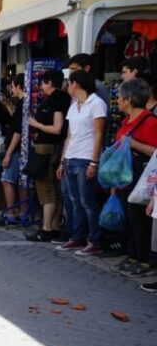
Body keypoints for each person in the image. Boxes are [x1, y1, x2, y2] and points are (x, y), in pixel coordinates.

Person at [106, 79, 157, 277]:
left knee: (140, 220)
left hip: (142, 177)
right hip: (124, 176)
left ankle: (144, 261)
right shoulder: (125, 121)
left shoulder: (150, 122)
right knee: (129, 218)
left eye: (119, 97)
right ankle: (132, 256)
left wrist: (134, 144)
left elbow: (155, 151)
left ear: (129, 99)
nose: (117, 100)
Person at [55, 70, 107, 255]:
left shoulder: (97, 104)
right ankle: (77, 237)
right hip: (71, 157)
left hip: (86, 157)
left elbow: (99, 134)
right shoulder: (73, 105)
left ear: (76, 84)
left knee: (88, 202)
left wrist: (94, 162)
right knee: (74, 201)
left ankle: (94, 240)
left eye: (69, 83)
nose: (68, 87)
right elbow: (69, 135)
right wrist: (62, 160)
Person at [26, 70, 69, 241]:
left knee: (46, 188)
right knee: (55, 189)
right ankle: (55, 226)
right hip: (53, 146)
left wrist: (36, 124)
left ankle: (47, 228)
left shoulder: (57, 99)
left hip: (47, 146)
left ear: (50, 83)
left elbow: (57, 128)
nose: (41, 86)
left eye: (43, 83)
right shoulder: (60, 98)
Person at [0, 74, 29, 226]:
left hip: (16, 148)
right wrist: (7, 104)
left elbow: (18, 129)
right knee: (22, 181)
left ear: (18, 86)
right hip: (22, 148)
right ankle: (23, 212)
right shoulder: (23, 103)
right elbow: (16, 119)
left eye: (13, 86)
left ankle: (11, 213)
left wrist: (8, 153)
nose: (11, 89)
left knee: (7, 179)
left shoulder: (24, 103)